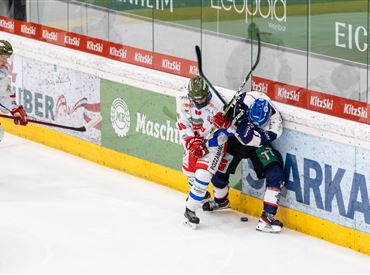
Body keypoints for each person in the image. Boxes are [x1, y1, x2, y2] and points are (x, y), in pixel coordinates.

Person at [203, 90, 285, 233]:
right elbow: (228, 111)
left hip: (257, 144)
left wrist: (230, 126)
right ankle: (220, 201)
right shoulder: (248, 98)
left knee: (275, 173)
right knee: (219, 170)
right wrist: (226, 117)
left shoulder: (275, 126)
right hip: (236, 139)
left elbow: (248, 139)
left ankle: (268, 217)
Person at [176, 76, 227, 229]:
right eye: (196, 99)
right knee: (189, 172)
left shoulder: (219, 103)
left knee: (202, 175)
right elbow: (183, 125)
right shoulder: (181, 99)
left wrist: (226, 124)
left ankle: (190, 209)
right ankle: (201, 195)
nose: (199, 101)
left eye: (203, 98)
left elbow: (231, 131)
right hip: (194, 139)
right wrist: (191, 142)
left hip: (214, 143)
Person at [0, 40, 28, 141]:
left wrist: (15, 110)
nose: (5, 61)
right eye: (3, 57)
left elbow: (4, 97)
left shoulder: (2, 74)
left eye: (7, 58)